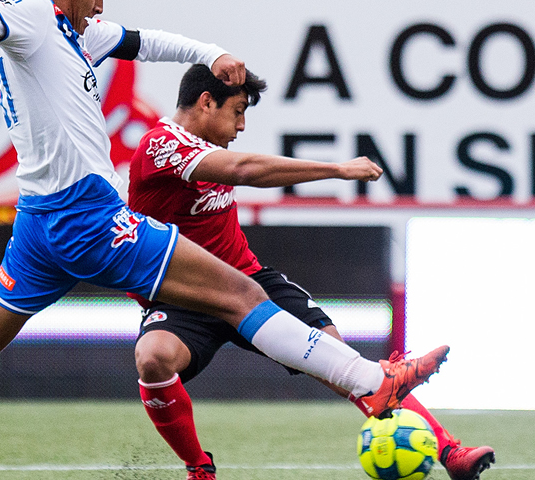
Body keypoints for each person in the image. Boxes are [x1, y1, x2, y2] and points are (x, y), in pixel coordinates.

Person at [0, 0, 450, 478]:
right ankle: (373, 382)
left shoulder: (72, 33)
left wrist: (211, 55)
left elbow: (145, 42)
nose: (100, 7)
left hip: (37, 227)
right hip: (87, 217)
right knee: (243, 295)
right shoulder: (31, 16)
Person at [128, 64, 494, 480]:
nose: (242, 126)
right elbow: (245, 169)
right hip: (184, 297)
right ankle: (199, 468)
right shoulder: (160, 145)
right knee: (154, 358)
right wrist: (337, 169)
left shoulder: (207, 148)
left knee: (341, 361)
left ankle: (450, 452)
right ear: (206, 102)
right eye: (238, 112)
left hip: (248, 284)